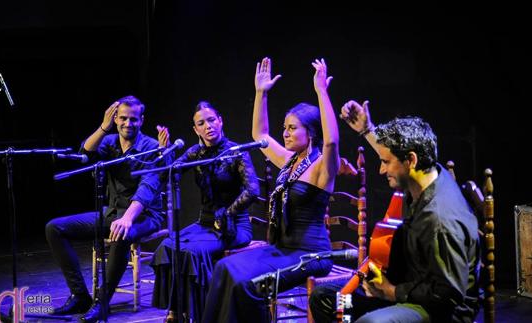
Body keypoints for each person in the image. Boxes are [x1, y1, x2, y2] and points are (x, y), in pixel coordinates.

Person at [309, 100, 481, 322]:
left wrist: (391, 292)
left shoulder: (440, 220)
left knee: (369, 322)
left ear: (411, 160)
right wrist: (367, 130)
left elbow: (447, 294)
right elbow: (394, 152)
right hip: (407, 285)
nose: (381, 170)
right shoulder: (424, 176)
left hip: (439, 309)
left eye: (385, 162)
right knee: (327, 299)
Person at [201, 57, 340, 323]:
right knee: (223, 268)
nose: (285, 134)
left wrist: (321, 92)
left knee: (249, 285)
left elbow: (332, 140)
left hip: (311, 254)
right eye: (284, 128)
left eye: (292, 128)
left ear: (310, 133)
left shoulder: (322, 167)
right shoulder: (288, 161)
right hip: (281, 248)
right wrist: (261, 93)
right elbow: (259, 134)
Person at [45, 95, 164, 323]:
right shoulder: (108, 142)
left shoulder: (150, 147)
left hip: (144, 216)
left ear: (142, 120)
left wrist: (128, 218)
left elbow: (148, 187)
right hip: (112, 213)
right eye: (122, 118)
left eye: (133, 119)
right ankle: (80, 296)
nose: (128, 124)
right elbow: (85, 153)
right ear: (115, 119)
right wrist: (103, 127)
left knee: (121, 233)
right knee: (54, 228)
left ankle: (102, 302)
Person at [151, 101, 260, 322]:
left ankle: (200, 315)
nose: (208, 126)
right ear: (195, 129)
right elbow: (170, 175)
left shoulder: (235, 151)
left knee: (192, 252)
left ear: (220, 121)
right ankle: (177, 311)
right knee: (168, 245)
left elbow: (253, 190)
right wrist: (166, 153)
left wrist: (227, 213)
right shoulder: (195, 153)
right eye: (201, 123)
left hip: (234, 226)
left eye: (211, 120)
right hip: (205, 224)